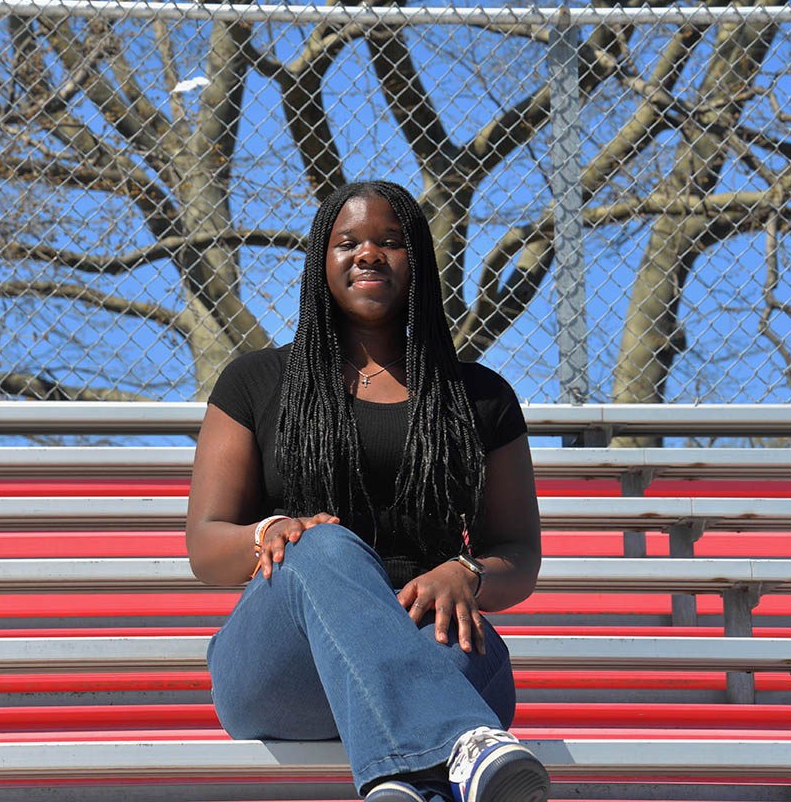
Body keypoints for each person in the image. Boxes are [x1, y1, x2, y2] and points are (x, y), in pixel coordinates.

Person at [187, 180, 550, 802]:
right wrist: (267, 534)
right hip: (284, 672)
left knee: (460, 653)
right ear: (320, 264)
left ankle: (399, 784)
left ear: (419, 262)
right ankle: (459, 746)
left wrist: (468, 572)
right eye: (347, 242)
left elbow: (519, 552)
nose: (368, 254)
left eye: (390, 241)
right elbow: (205, 547)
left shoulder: (480, 397)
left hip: (435, 644)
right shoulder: (256, 381)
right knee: (324, 545)